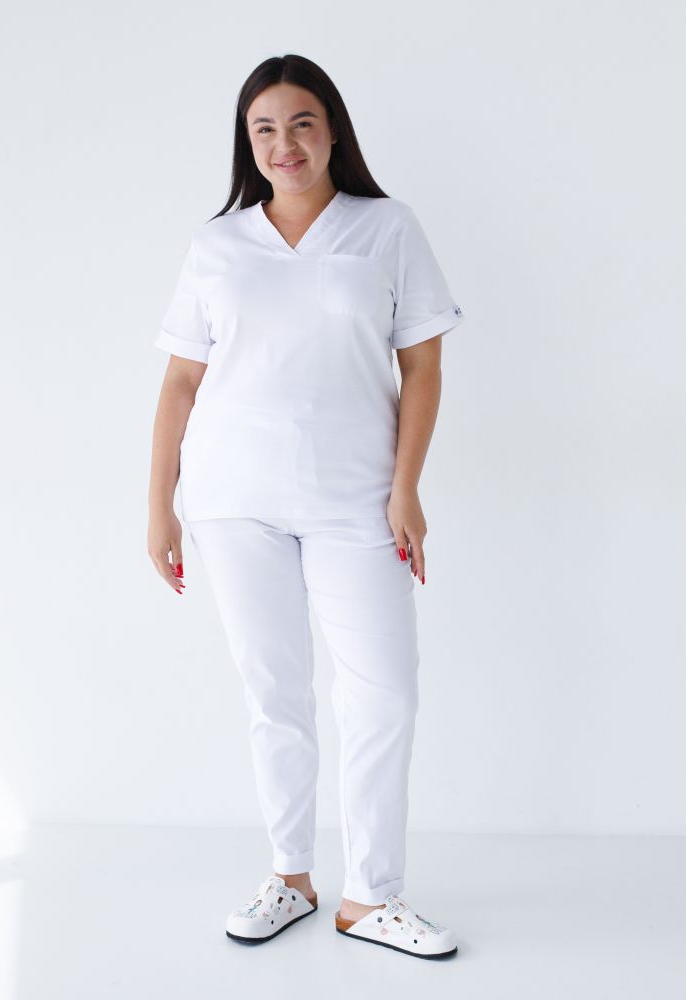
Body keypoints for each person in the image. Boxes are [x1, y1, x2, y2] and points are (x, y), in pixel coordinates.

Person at [147, 53, 464, 961]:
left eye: (301, 123)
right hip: (232, 499)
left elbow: (422, 366)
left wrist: (406, 488)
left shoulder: (386, 227)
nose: (283, 144)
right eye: (264, 129)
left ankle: (372, 894)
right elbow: (180, 382)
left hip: (356, 496)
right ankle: (290, 875)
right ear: (247, 144)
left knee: (384, 691)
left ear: (332, 132)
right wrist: (160, 506)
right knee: (274, 691)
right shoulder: (218, 244)